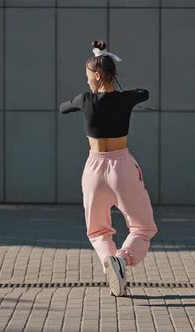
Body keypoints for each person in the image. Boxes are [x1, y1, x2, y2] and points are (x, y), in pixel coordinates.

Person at [58, 40, 158, 297]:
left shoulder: (85, 99)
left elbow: (63, 108)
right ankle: (122, 260)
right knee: (143, 228)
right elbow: (144, 93)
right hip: (121, 168)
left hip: (93, 170)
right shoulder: (126, 99)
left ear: (98, 75)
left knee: (98, 229)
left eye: (89, 76)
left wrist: (85, 97)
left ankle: (109, 263)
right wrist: (125, 95)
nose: (88, 81)